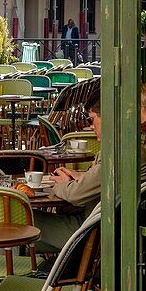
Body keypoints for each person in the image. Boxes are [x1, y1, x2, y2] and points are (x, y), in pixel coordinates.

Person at [33, 93, 103, 253]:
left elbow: (74, 194)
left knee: (13, 222)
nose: (91, 127)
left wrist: (62, 184)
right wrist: (83, 177)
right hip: (93, 225)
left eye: (92, 119)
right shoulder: (133, 149)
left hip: (88, 232)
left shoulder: (120, 153)